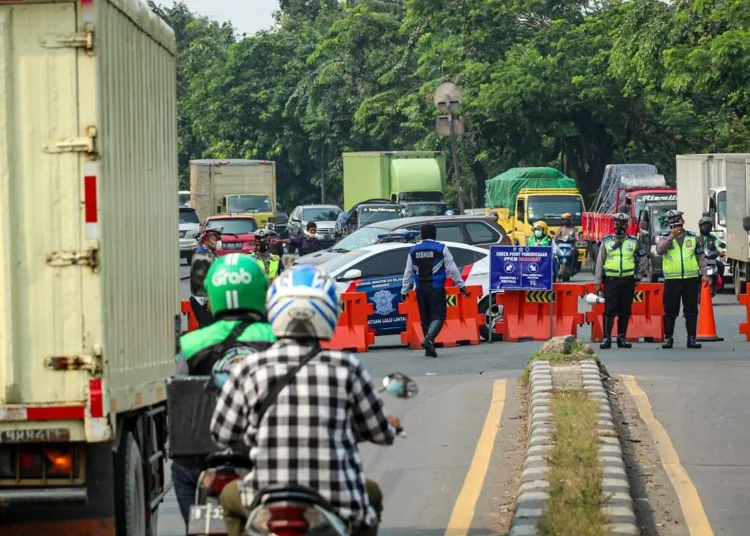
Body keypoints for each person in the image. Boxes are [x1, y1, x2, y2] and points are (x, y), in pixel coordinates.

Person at [212, 264, 400, 536]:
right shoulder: (346, 366)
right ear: (329, 311)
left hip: (263, 496)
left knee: (229, 496)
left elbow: (222, 435)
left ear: (275, 308)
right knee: (371, 495)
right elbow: (380, 433)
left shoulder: (249, 368)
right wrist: (389, 427)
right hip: (336, 498)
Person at [171, 253, 277, 530]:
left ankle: (201, 528)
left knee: (181, 473)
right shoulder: (277, 337)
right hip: (266, 451)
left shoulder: (193, 343)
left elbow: (181, 400)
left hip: (206, 456)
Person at [400, 224, 469, 358]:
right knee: (439, 315)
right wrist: (461, 285)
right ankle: (428, 339)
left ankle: (428, 348)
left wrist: (404, 290)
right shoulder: (441, 248)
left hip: (420, 289)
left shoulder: (413, 251)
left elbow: (408, 272)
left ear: (422, 235)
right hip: (436, 288)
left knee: (425, 318)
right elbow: (452, 269)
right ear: (434, 234)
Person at [593, 213, 649, 349]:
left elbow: (643, 259)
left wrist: (639, 277)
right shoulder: (606, 242)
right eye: (618, 224)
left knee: (625, 310)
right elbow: (600, 261)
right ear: (614, 225)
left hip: (628, 280)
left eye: (623, 224)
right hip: (611, 280)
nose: (620, 227)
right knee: (609, 310)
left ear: (626, 226)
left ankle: (622, 337)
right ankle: (606, 338)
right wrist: (597, 281)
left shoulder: (633, 242)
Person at [656, 210, 710, 349]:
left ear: (683, 223)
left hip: (690, 279)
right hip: (672, 280)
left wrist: (705, 274)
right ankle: (668, 339)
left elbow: (700, 257)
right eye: (674, 226)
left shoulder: (692, 238)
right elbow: (659, 251)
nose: (677, 229)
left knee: (691, 310)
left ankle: (691, 339)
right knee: (670, 311)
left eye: (679, 225)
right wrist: (671, 238)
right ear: (670, 226)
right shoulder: (664, 237)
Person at [697, 216, 726, 280]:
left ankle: (719, 287)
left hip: (711, 260)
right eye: (704, 225)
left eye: (708, 225)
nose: (706, 227)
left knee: (721, 266)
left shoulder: (714, 237)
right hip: (699, 261)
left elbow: (718, 245)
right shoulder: (696, 237)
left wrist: (721, 251)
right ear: (700, 226)